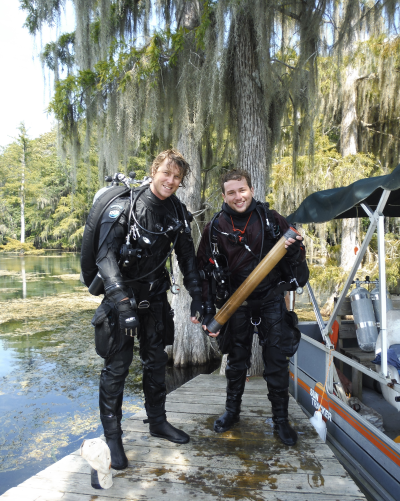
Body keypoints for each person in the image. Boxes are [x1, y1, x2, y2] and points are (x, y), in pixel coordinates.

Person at [91, 150, 203, 470]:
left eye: (177, 177)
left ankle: (157, 422)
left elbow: (187, 259)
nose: (170, 180)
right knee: (117, 369)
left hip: (154, 299)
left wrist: (197, 296)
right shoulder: (127, 205)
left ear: (181, 182)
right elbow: (105, 257)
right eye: (166, 173)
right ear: (154, 171)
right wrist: (121, 302)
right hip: (120, 298)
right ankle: (113, 437)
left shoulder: (178, 212)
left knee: (155, 363)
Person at [197, 169, 308, 446]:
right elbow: (203, 272)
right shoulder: (215, 228)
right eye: (231, 192)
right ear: (224, 195)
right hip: (235, 307)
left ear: (251, 189)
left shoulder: (272, 220)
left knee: (276, 363)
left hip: (271, 300)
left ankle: (281, 420)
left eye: (242, 190)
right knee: (236, 364)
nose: (238, 196)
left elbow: (298, 263)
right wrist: (208, 310)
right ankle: (232, 413)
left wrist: (294, 249)